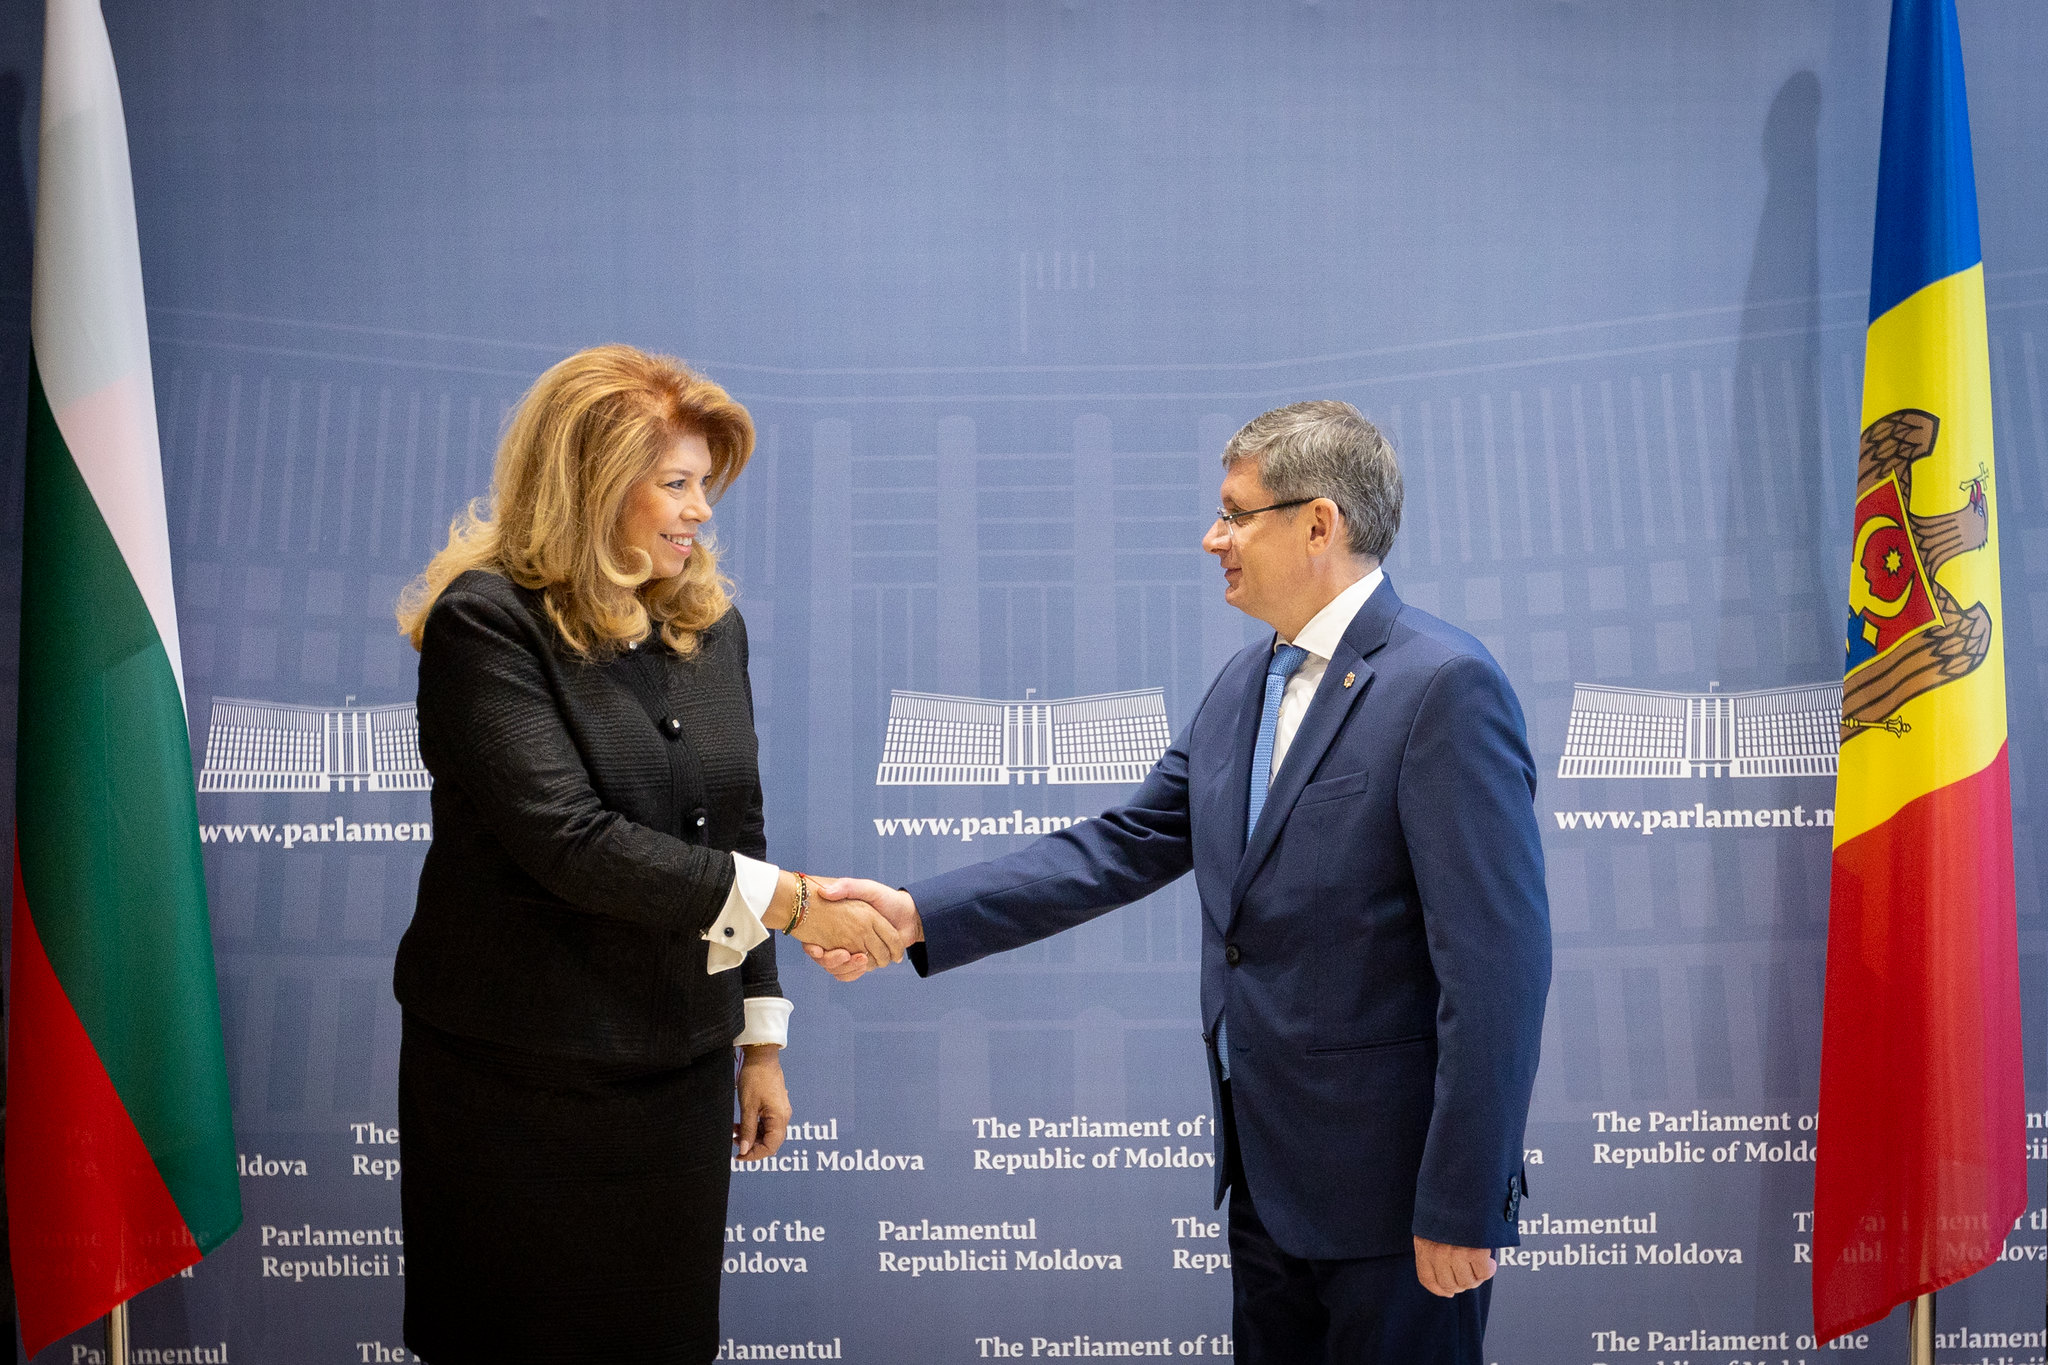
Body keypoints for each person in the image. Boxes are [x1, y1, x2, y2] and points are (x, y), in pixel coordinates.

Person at [818, 401, 1551, 1365]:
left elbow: (1497, 968)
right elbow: (1125, 844)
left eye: (1236, 514)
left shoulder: (1443, 685)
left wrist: (1464, 1198)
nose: (1213, 538)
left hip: (1398, 1203)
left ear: (1319, 523)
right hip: (1267, 1186)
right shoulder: (1244, 683)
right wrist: (920, 914)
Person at [391, 344, 904, 1365]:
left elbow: (736, 832)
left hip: (675, 1075)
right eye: (676, 483)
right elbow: (571, 841)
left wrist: (760, 1040)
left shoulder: (709, 628)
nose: (700, 510)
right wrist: (799, 905)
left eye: (703, 485)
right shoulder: (486, 623)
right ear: (591, 482)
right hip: (516, 1083)